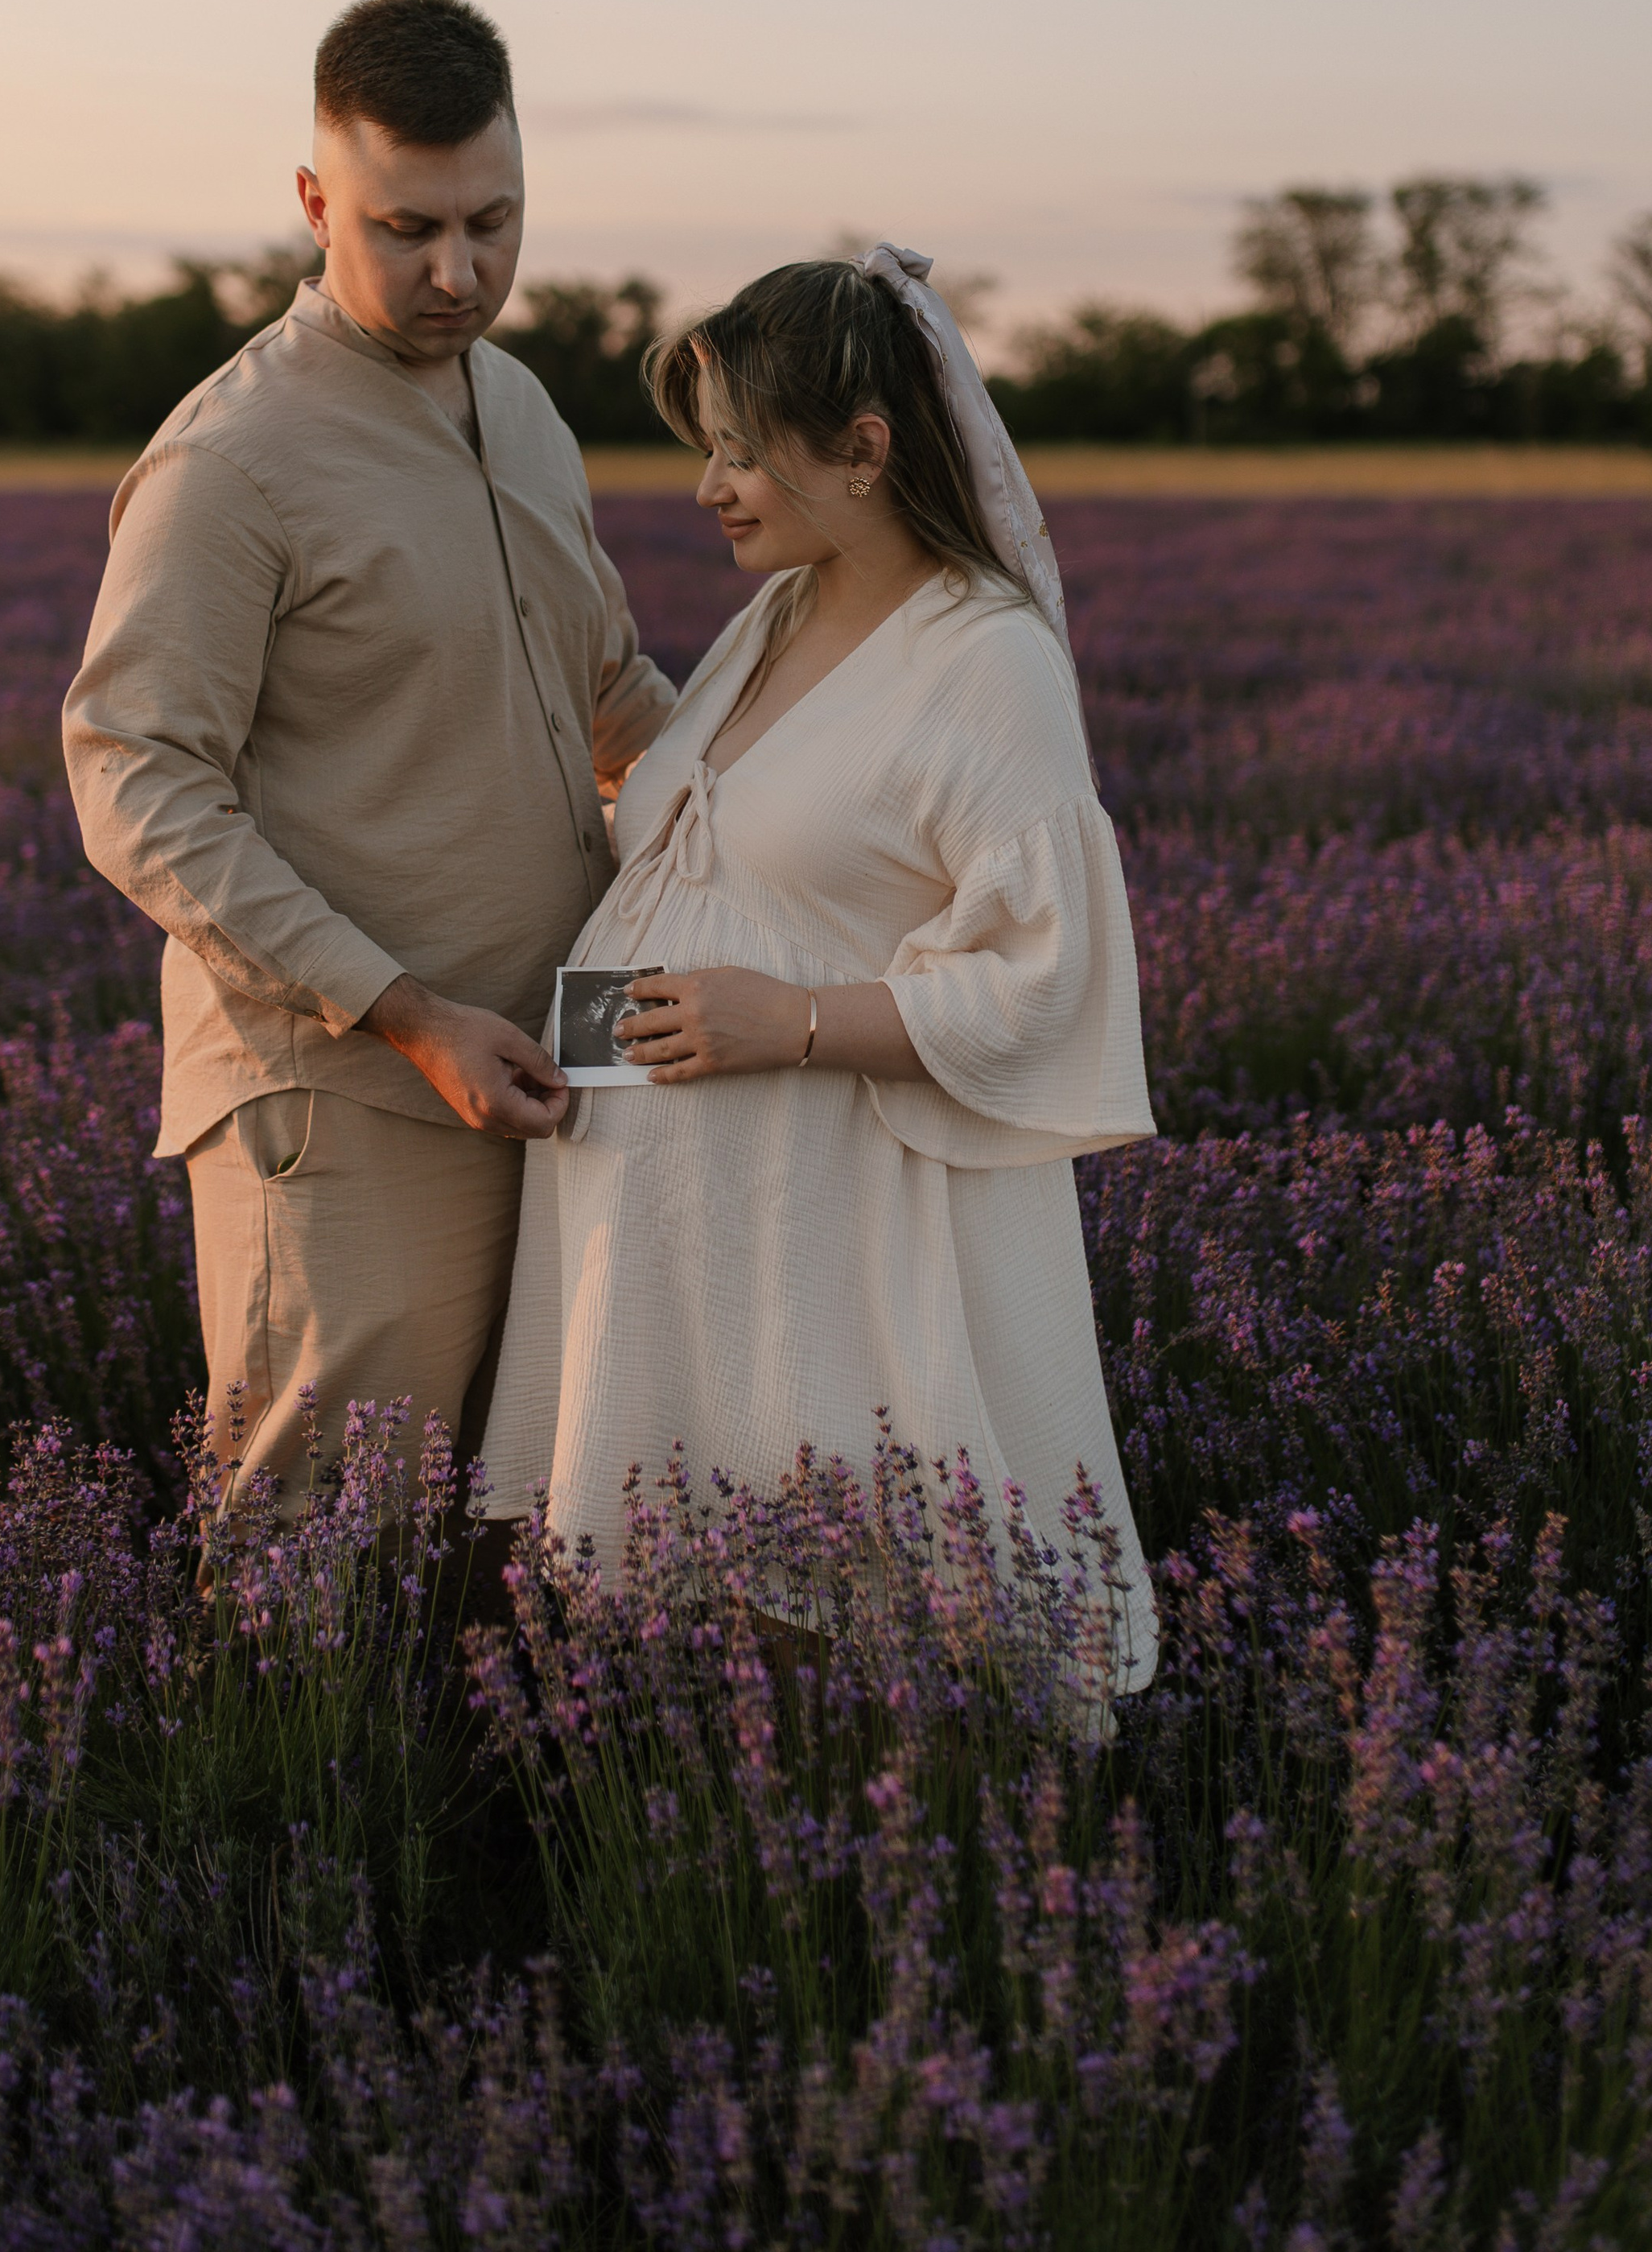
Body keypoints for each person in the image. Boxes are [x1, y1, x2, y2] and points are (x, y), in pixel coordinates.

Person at [481, 246, 1160, 1688]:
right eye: (707, 450)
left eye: (741, 454)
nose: (711, 487)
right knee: (689, 1637)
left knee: (846, 1629)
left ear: (863, 451)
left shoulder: (988, 662)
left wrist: (786, 1019)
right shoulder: (777, 616)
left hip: (820, 1226)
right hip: (661, 1220)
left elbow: (1049, 976)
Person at [64, 0, 674, 1516]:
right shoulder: (231, 460)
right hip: (347, 1090)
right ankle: (270, 1775)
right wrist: (408, 1015)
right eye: (408, 228)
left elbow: (608, 690)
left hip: (554, 1059)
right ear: (313, 200)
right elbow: (136, 783)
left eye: (494, 221)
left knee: (515, 1519)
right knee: (321, 1550)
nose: (459, 271)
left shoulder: (524, 407)